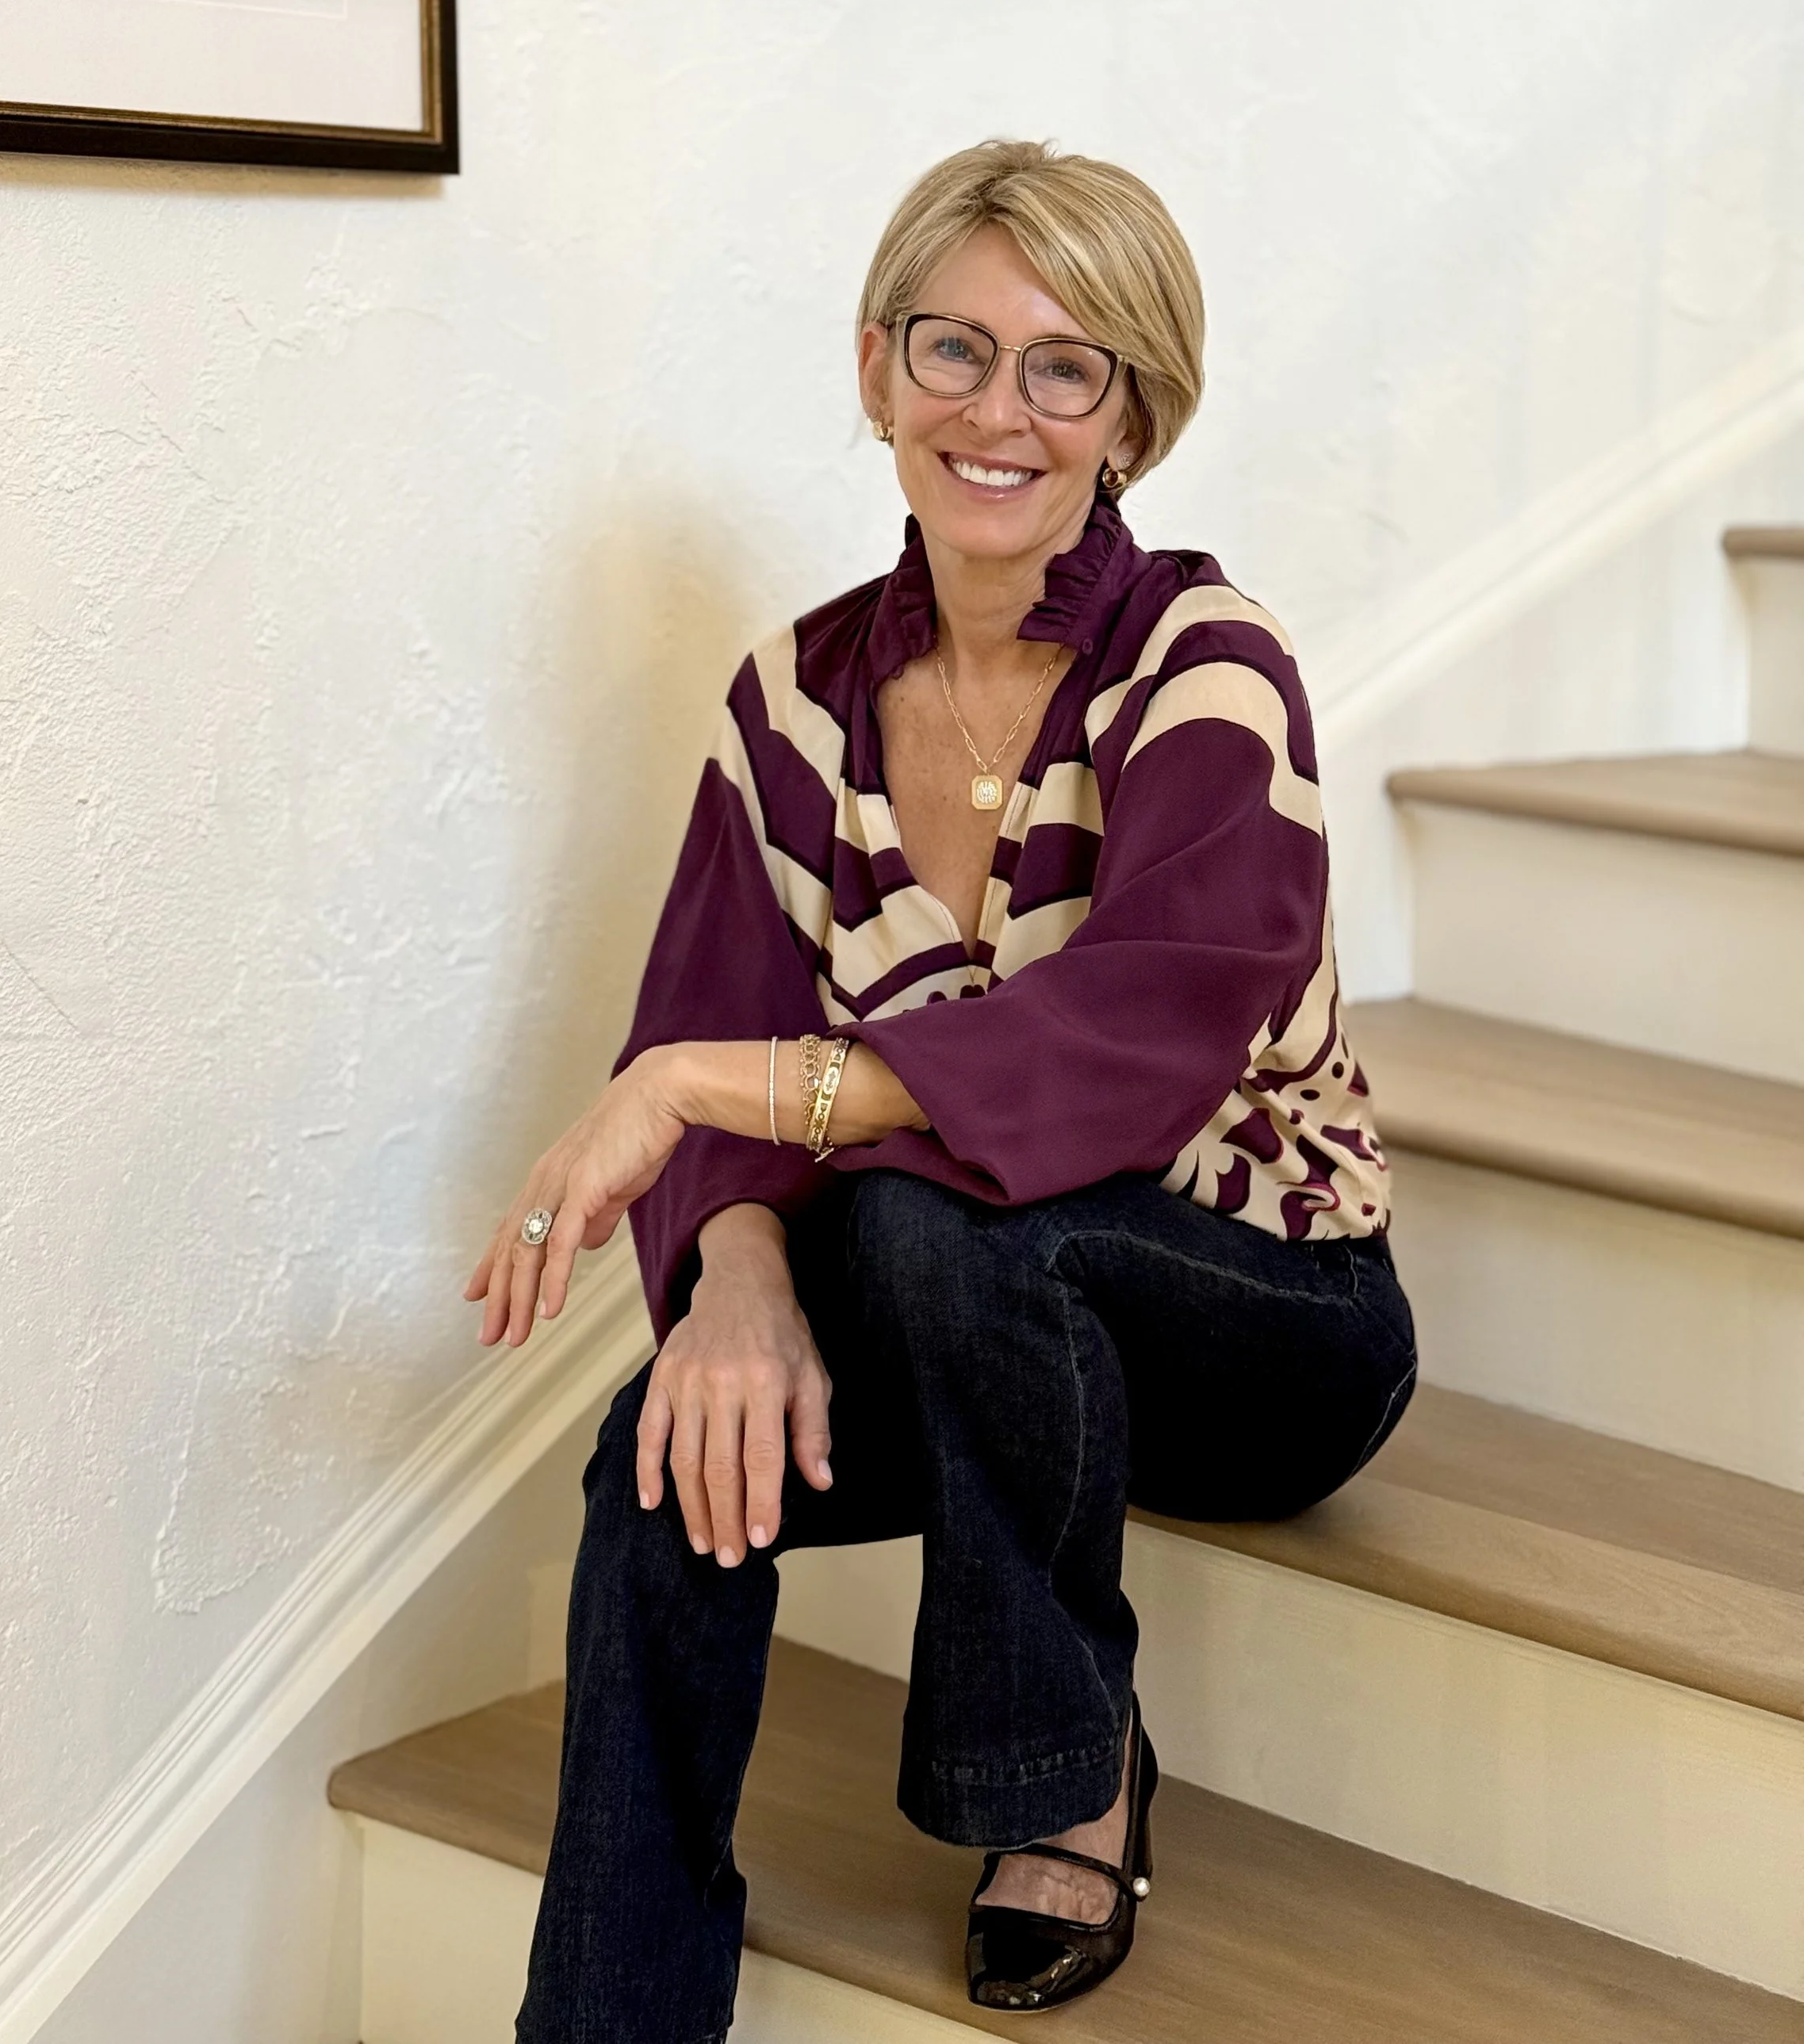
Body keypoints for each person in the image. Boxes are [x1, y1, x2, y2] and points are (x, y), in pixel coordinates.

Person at [467, 140, 1417, 2035]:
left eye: (1065, 367)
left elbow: (1136, 1039)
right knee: (664, 1450)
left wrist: (702, 1086)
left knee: (944, 1214)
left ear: (1132, 414)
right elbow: (718, 1012)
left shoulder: (1206, 667)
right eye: (953, 348)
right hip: (975, 1335)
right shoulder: (792, 699)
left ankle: (1059, 1769)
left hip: (1266, 1325)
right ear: (876, 365)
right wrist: (735, 1285)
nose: (998, 411)